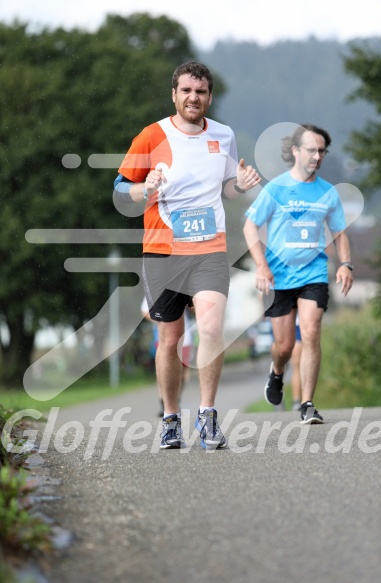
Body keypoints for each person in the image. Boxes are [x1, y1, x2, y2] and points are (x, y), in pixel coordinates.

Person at [114, 61, 261, 448]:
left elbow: (226, 187)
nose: (193, 97)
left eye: (201, 92)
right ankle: (170, 418)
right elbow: (119, 189)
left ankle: (208, 416)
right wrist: (144, 188)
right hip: (163, 251)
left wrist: (240, 185)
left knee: (211, 327)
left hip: (210, 249)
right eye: (186, 91)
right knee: (170, 338)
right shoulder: (151, 136)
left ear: (209, 97)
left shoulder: (224, 135)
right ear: (174, 95)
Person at [243, 123, 353, 424]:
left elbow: (339, 233)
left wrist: (345, 264)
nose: (317, 156)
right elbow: (250, 226)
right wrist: (261, 265)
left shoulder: (328, 193)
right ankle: (277, 372)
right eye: (311, 150)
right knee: (284, 346)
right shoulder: (276, 189)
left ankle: (306, 403)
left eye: (322, 151)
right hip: (279, 277)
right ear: (295, 151)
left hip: (314, 274)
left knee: (312, 330)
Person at [141, 297, 194, 417]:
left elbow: (196, 309)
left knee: (183, 370)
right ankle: (164, 403)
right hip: (164, 336)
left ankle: (176, 399)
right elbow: (144, 310)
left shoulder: (187, 285)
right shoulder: (157, 284)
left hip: (186, 337)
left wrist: (188, 304)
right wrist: (163, 318)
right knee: (164, 368)